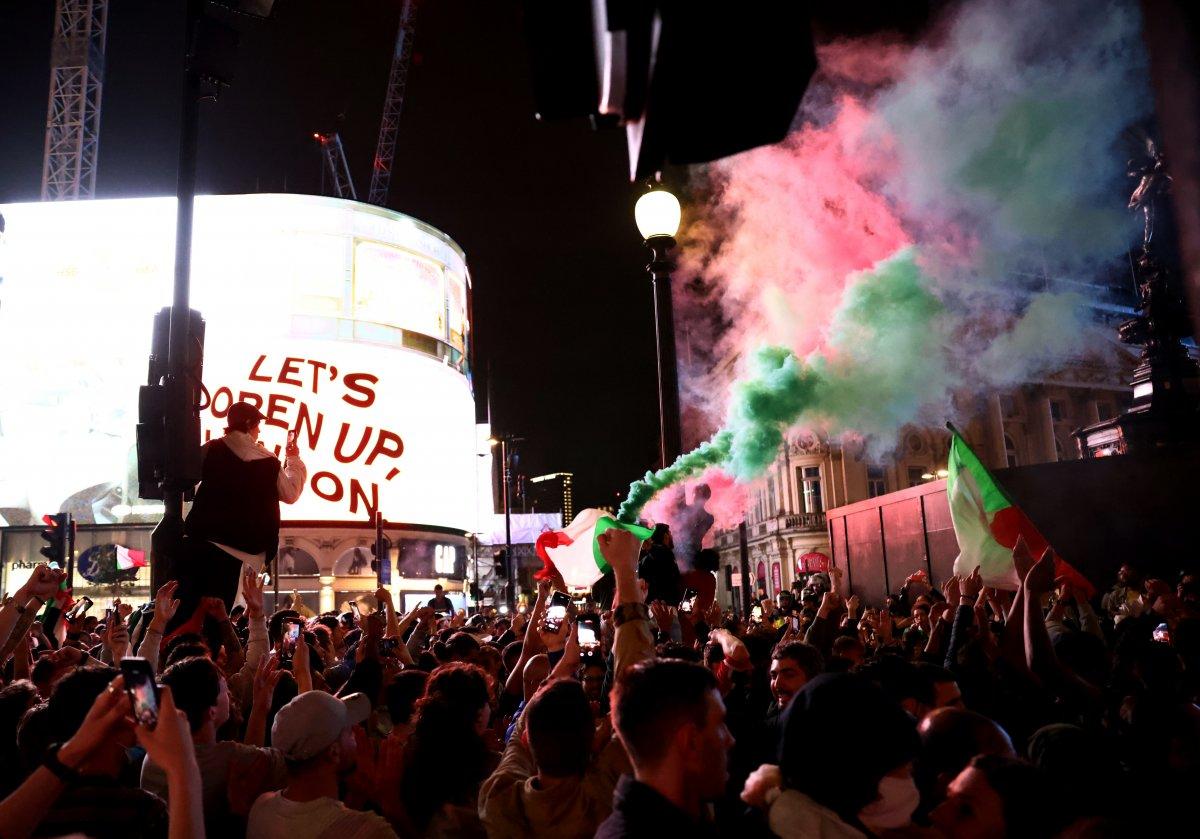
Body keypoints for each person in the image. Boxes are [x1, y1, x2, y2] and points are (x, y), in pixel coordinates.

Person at [181, 400, 307, 614]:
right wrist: (293, 459)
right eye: (258, 425)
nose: (259, 431)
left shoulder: (211, 448)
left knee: (192, 610)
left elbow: (185, 482)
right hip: (247, 553)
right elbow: (291, 493)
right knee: (224, 614)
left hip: (204, 542)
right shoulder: (269, 460)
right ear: (249, 424)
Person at [141, 654, 286, 834]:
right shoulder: (225, 758)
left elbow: (249, 756)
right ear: (211, 711)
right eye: (225, 689)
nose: (230, 694)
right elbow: (302, 757)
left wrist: (259, 708)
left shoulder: (156, 754)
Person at [246, 689, 395, 838]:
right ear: (334, 753)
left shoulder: (260, 807)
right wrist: (387, 798)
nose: (357, 733)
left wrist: (357, 796)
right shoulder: (372, 832)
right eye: (349, 731)